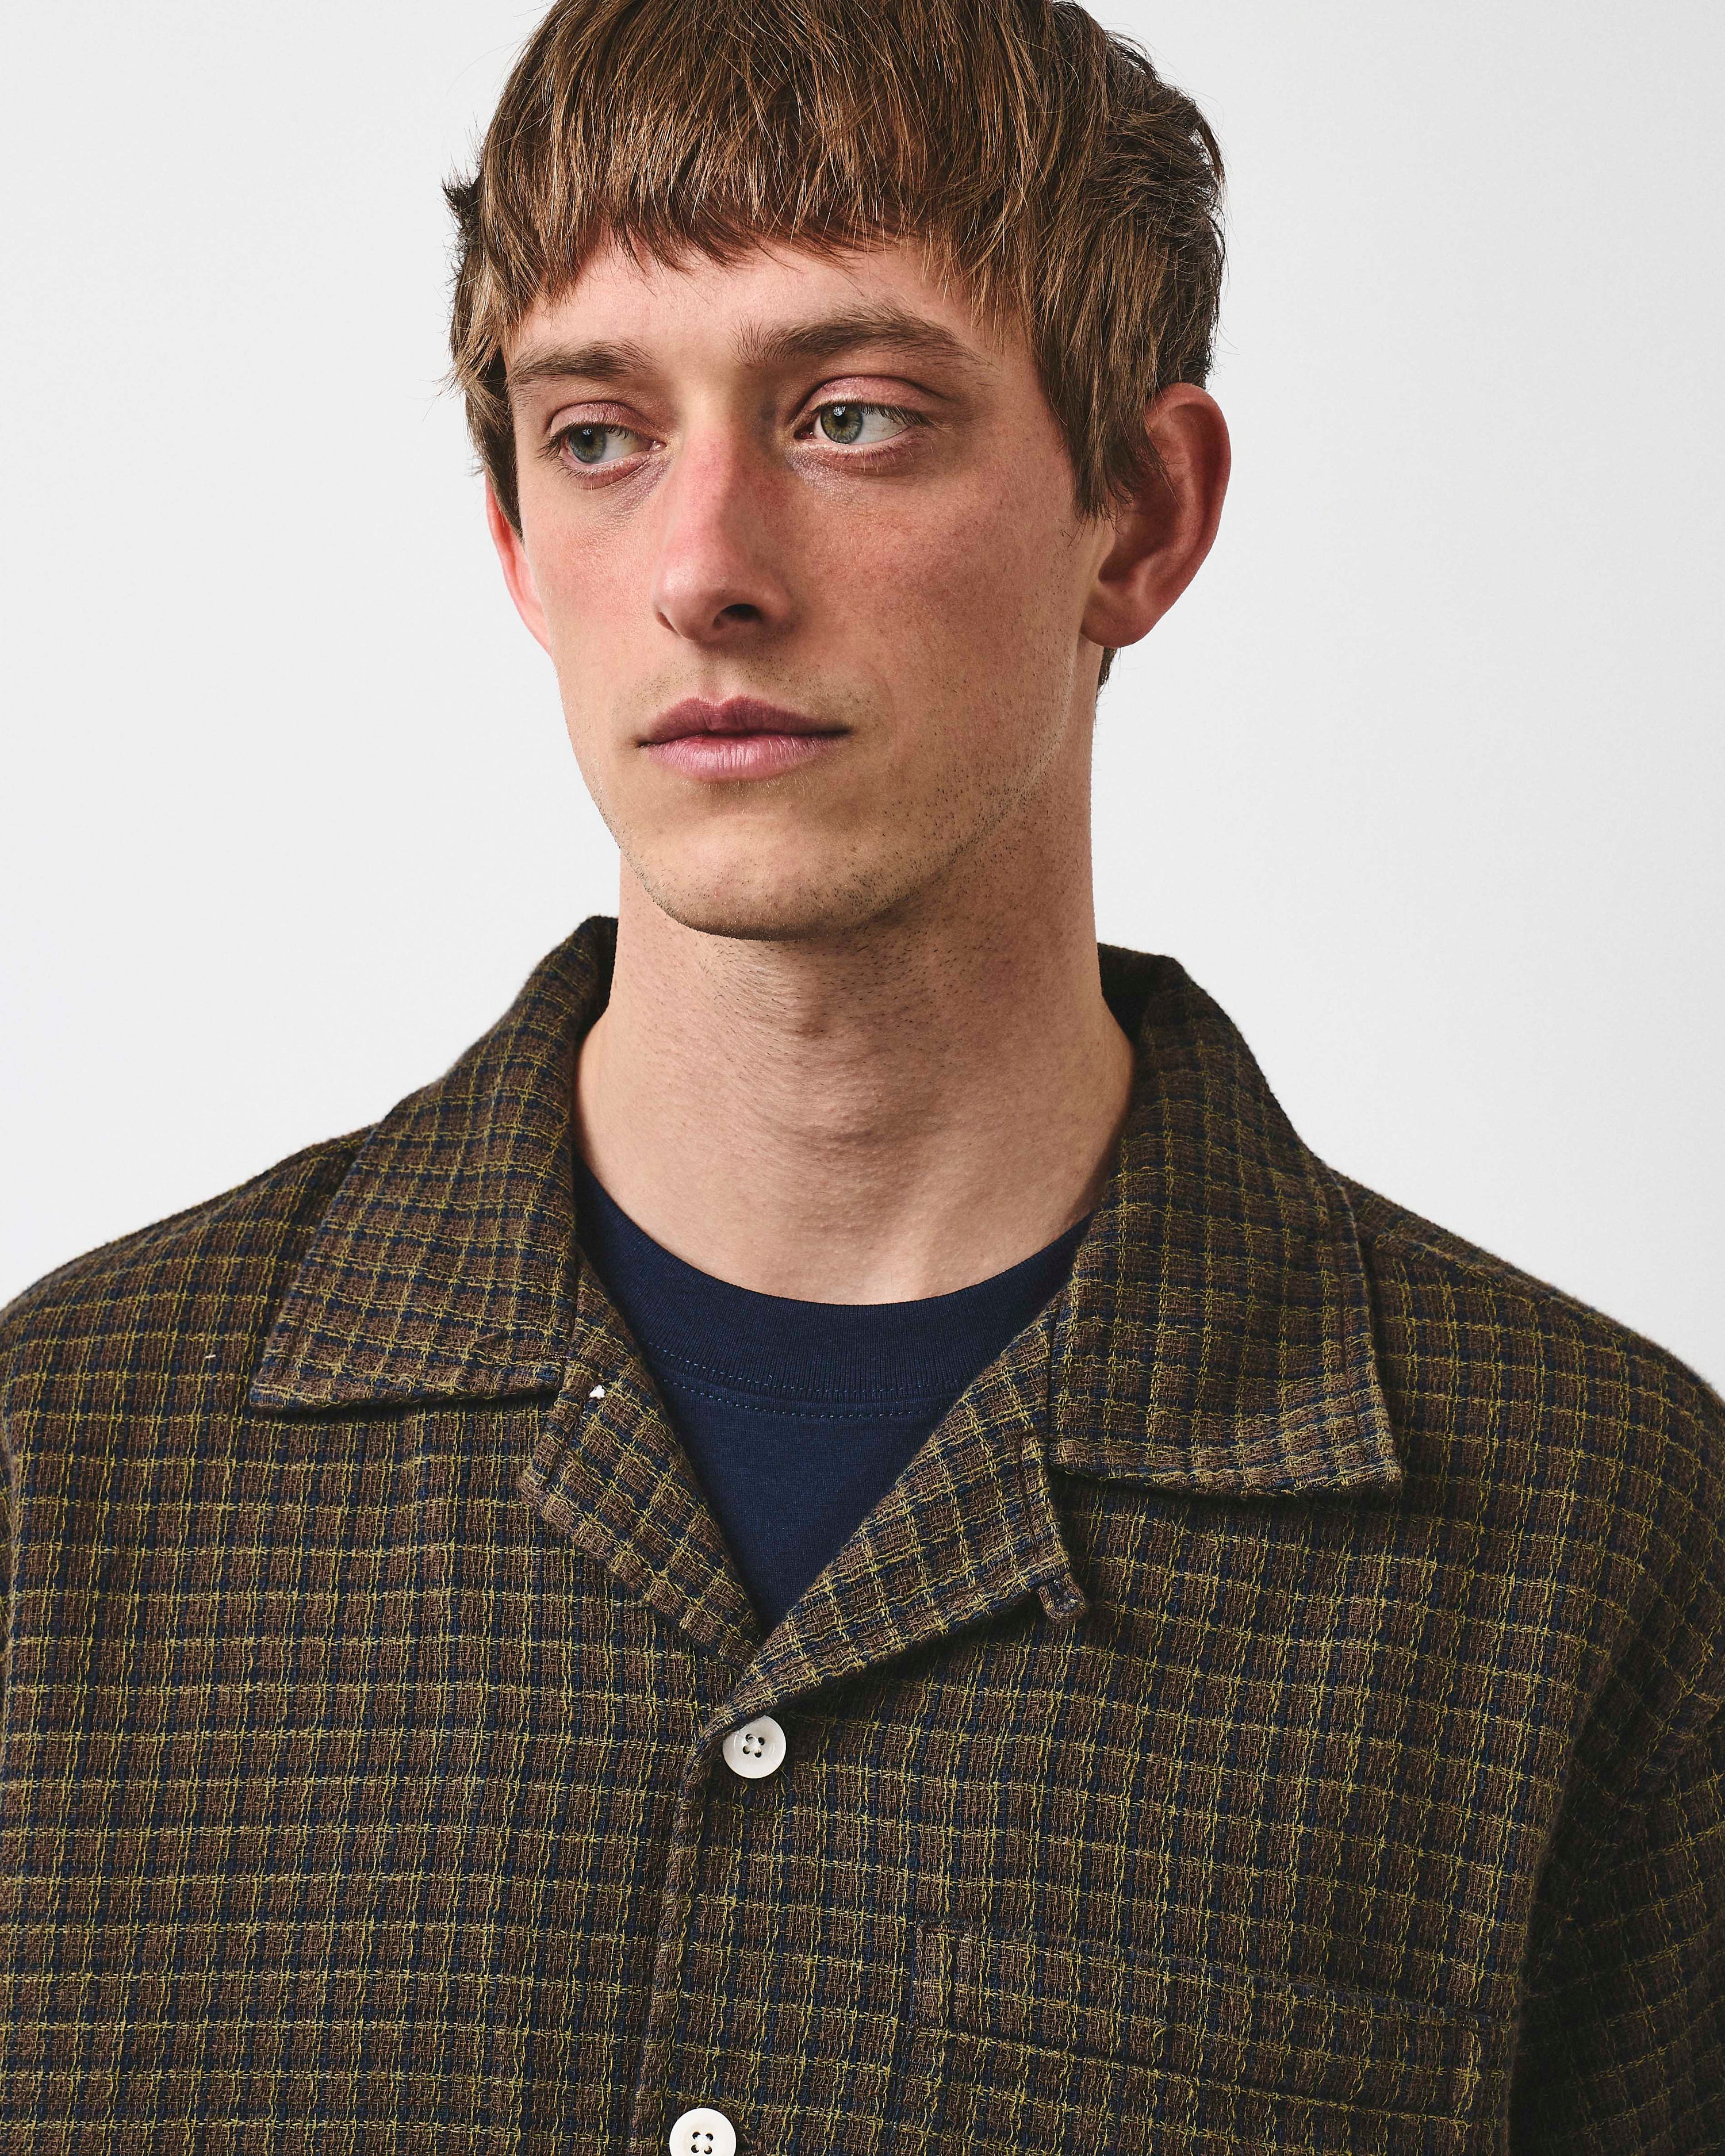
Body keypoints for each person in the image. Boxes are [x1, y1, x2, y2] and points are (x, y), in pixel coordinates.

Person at [2, 0, 1719, 2147]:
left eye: (853, 417)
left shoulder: (1600, 1547)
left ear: (1141, 517)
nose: (705, 571)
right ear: (517, 543)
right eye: (598, 436)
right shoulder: (58, 1471)